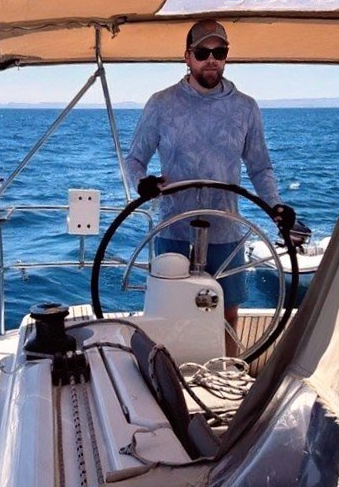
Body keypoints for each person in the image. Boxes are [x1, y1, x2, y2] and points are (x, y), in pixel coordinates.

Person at [125, 18, 297, 356]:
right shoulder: (161, 104)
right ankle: (170, 380)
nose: (211, 59)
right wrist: (141, 185)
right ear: (187, 57)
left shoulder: (245, 107)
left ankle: (229, 377)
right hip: (173, 227)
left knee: (226, 311)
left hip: (225, 230)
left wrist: (275, 205)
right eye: (203, 52)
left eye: (219, 52)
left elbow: (260, 166)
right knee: (170, 311)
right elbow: (134, 161)